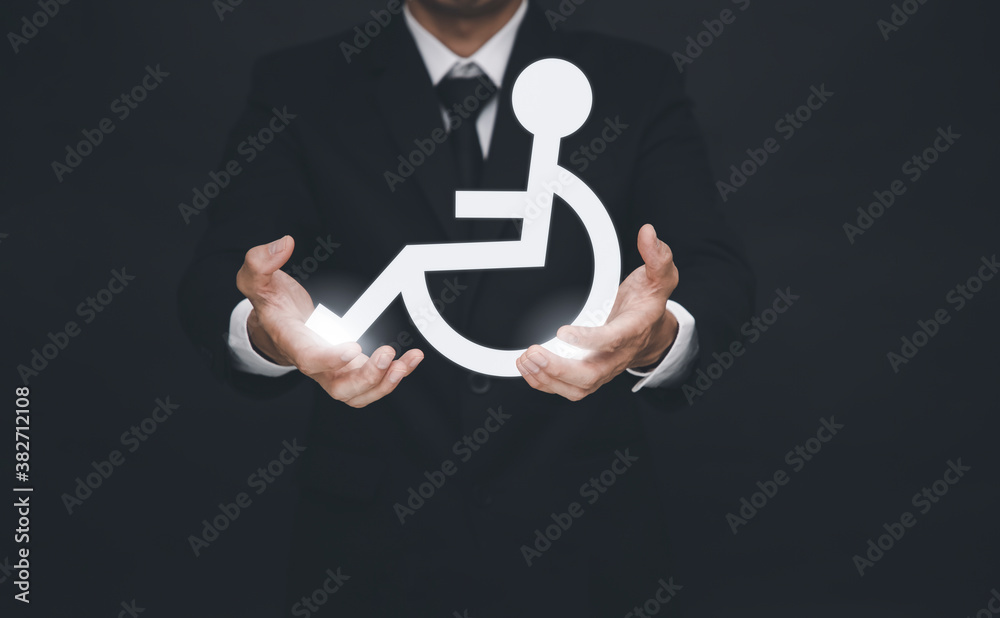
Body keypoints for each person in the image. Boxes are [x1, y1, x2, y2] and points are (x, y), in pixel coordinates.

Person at [178, 0, 754, 615]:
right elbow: (222, 278)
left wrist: (652, 335)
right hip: (371, 553)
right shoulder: (302, 83)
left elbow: (712, 274)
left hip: (584, 542)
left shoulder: (633, 79)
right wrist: (270, 329)